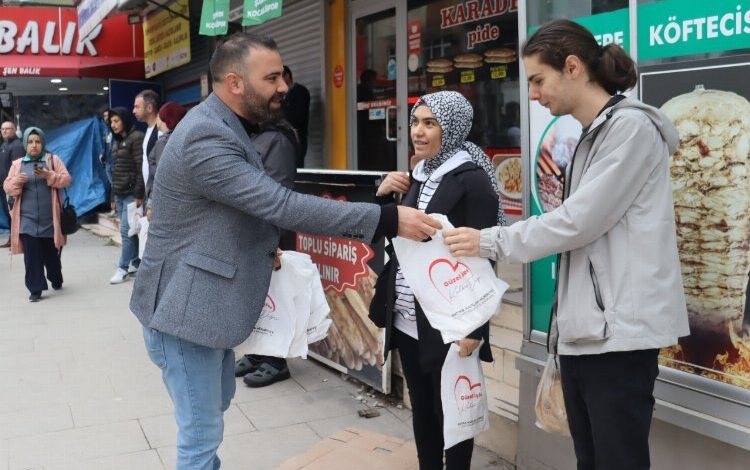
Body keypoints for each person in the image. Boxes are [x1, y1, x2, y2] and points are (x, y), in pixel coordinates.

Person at [128, 32, 440, 470]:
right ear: (235, 82)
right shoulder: (206, 135)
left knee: (213, 411)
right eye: (271, 77)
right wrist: (386, 219)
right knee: (200, 434)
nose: (283, 87)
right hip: (182, 312)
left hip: (203, 309)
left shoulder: (228, 125)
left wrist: (261, 245)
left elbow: (232, 208)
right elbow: (279, 203)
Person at [443, 20, 690, 470]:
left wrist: (490, 241)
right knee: (590, 459)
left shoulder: (629, 130)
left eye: (538, 80)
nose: (533, 94)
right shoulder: (592, 134)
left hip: (619, 337)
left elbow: (578, 222)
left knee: (617, 460)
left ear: (572, 67)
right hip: (588, 334)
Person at [369, 91, 502, 470]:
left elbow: (483, 256)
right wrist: (382, 198)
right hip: (408, 315)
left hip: (450, 321)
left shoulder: (473, 181)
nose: (419, 132)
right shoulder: (416, 176)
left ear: (453, 128)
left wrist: (476, 329)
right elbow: (395, 239)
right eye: (415, 122)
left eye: (430, 123)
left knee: (454, 412)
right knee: (422, 406)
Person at [234, 116, 299, 387]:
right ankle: (257, 353)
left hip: (273, 235)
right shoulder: (251, 135)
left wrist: (273, 242)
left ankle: (276, 360)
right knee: (256, 298)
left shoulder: (278, 139)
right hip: (251, 232)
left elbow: (278, 194)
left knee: (276, 299)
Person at [2, 127, 71, 301]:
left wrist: (49, 175)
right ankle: (35, 288)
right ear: (25, 144)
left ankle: (56, 277)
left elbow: (67, 180)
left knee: (50, 256)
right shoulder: (17, 164)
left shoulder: (53, 160)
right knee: (32, 257)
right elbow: (7, 187)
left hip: (50, 220)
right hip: (27, 220)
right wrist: (16, 181)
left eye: (37, 142)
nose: (34, 145)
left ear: (43, 143)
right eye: (30, 142)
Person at [108, 107, 145, 285]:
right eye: (111, 122)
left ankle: (122, 268)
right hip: (120, 193)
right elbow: (114, 171)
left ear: (124, 120)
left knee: (126, 231)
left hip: (131, 194)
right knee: (132, 231)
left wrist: (139, 194)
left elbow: (140, 167)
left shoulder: (136, 137)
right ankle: (136, 262)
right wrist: (113, 197)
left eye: (116, 121)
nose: (113, 125)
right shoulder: (116, 141)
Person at [145, 101, 187, 208]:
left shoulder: (163, 142)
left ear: (165, 118)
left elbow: (161, 175)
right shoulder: (181, 138)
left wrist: (150, 203)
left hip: (162, 200)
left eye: (159, 115)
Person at [133, 89, 162, 213]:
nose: (133, 111)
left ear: (149, 108)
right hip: (148, 194)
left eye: (137, 107)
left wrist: (151, 201)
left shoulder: (160, 132)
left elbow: (160, 168)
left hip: (157, 198)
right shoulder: (149, 130)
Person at [1, 121, 25, 247]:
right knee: (8, 213)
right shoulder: (5, 145)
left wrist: (14, 186)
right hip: (4, 187)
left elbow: (18, 167)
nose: (4, 131)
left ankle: (19, 241)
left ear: (14, 130)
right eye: (2, 129)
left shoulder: (17, 146)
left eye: (8, 129)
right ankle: (12, 240)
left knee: (15, 213)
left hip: (12, 187)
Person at [281, 65, 310, 167]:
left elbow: (299, 117)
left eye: (280, 78)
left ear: (287, 76)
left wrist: (282, 121)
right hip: (285, 139)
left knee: (296, 169)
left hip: (297, 138)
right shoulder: (282, 95)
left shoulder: (300, 92)